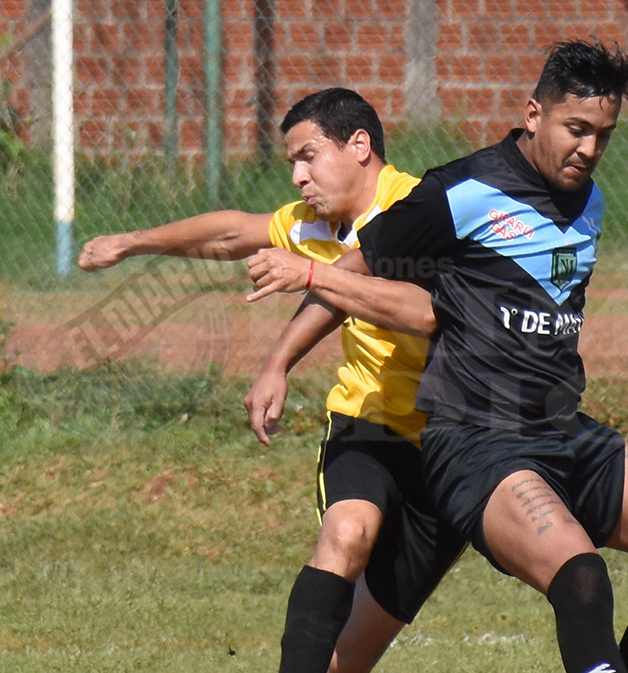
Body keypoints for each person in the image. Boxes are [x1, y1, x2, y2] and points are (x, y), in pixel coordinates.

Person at [246, 40, 628, 673]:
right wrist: (280, 360)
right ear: (533, 114)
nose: (589, 149)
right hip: (477, 439)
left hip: (560, 426)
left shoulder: (589, 201)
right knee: (582, 578)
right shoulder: (463, 190)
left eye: (603, 135)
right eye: (576, 129)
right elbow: (356, 266)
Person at [78, 87, 467, 673]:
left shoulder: (421, 209)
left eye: (308, 156)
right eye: (292, 162)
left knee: (346, 662)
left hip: (454, 440)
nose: (297, 176)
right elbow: (231, 233)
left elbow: (411, 304)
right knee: (347, 532)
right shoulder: (315, 224)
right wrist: (131, 243)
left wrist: (293, 325)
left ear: (359, 146)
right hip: (369, 422)